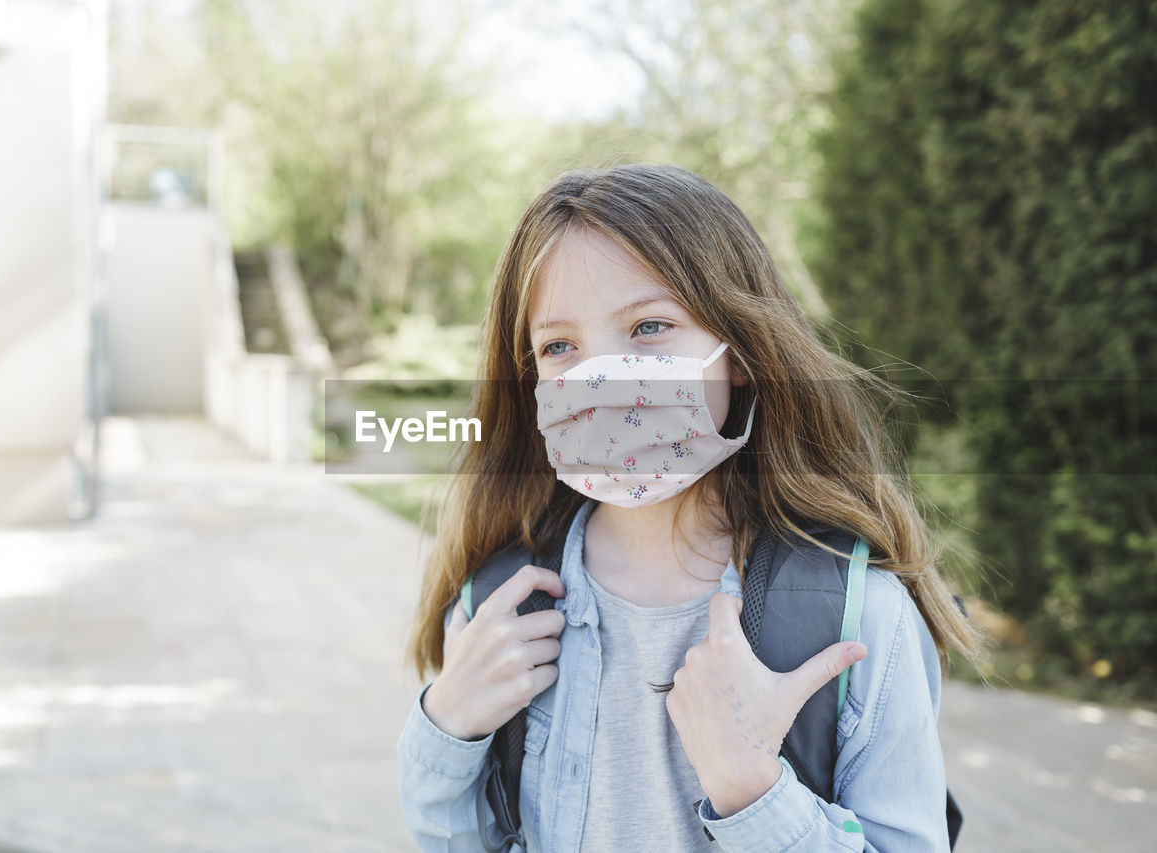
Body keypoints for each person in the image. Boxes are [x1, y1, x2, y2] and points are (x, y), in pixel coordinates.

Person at [396, 163, 985, 852]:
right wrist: (445, 729)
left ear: (738, 349)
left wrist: (751, 790)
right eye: (560, 346)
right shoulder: (498, 605)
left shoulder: (855, 614)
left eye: (648, 326)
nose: (603, 377)